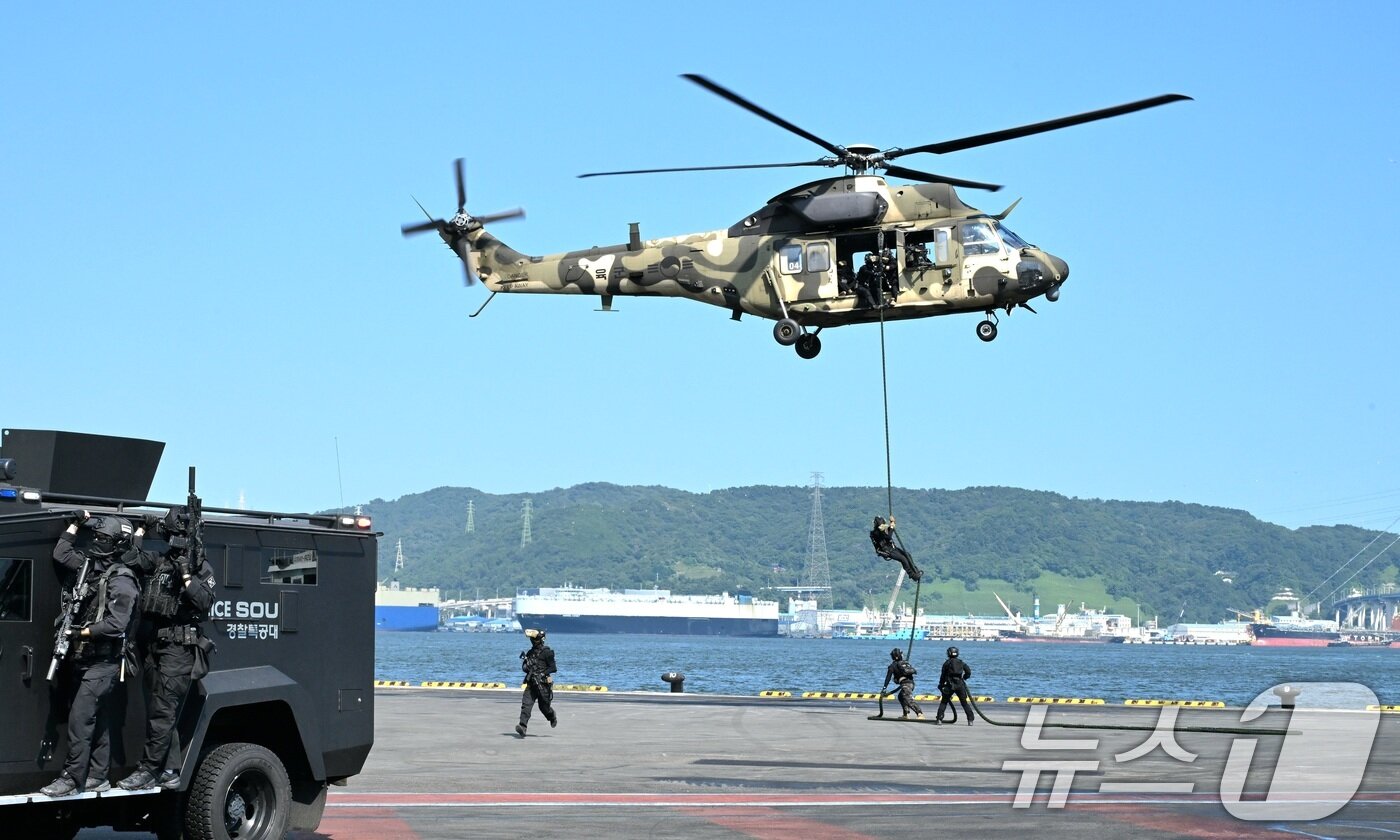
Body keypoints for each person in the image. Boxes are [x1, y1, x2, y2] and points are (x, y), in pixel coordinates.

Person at [116, 507, 217, 791]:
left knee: (162, 711)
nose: (174, 540)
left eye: (178, 535)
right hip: (155, 646)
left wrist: (187, 576)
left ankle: (149, 770)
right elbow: (131, 558)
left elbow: (204, 603)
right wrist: (139, 531)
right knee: (160, 712)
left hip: (179, 650)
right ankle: (170, 769)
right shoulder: (160, 560)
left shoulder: (200, 568)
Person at [41, 511, 140, 797]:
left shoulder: (122, 579)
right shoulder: (90, 567)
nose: (96, 541)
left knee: (80, 718)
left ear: (118, 543)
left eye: (103, 538)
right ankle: (98, 775)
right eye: (95, 536)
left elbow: (116, 624)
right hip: (86, 659)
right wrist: (74, 524)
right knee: (95, 720)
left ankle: (72, 778)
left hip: (104, 662)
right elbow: (61, 553)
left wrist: (81, 632)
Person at [515, 628, 557, 737]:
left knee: (544, 708)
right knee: (526, 705)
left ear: (541, 639)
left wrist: (543, 673)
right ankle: (522, 727)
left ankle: (551, 716)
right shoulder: (530, 653)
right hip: (531, 684)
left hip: (543, 685)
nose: (533, 641)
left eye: (535, 639)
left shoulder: (547, 652)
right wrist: (526, 663)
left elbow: (553, 668)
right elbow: (525, 668)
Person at [869, 516, 922, 581]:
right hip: (887, 551)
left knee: (907, 555)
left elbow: (888, 531)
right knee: (903, 559)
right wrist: (892, 526)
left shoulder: (880, 530)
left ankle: (915, 571)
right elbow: (888, 537)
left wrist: (893, 522)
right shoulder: (875, 533)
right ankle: (912, 575)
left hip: (892, 548)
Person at [935, 646, 975, 726]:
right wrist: (965, 677)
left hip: (949, 684)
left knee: (944, 702)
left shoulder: (946, 663)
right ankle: (970, 720)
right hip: (960, 684)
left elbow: (942, 675)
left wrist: (941, 684)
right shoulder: (961, 662)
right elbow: (968, 671)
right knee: (964, 703)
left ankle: (939, 719)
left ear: (948, 653)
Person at [882, 648, 923, 719]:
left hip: (906, 685)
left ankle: (919, 713)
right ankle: (906, 714)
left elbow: (888, 678)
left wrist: (884, 688)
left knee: (907, 698)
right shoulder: (904, 663)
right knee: (901, 697)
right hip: (910, 683)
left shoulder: (892, 666)